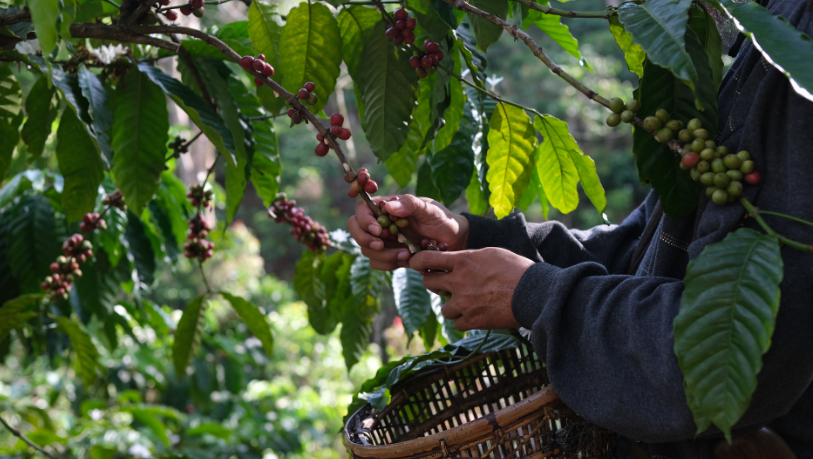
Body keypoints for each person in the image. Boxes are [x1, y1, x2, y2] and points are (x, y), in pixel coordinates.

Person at [347, 0, 813, 457]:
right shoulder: (760, 37)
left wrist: (532, 293)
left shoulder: (798, 50)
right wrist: (472, 236)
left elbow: (726, 357)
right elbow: (645, 254)